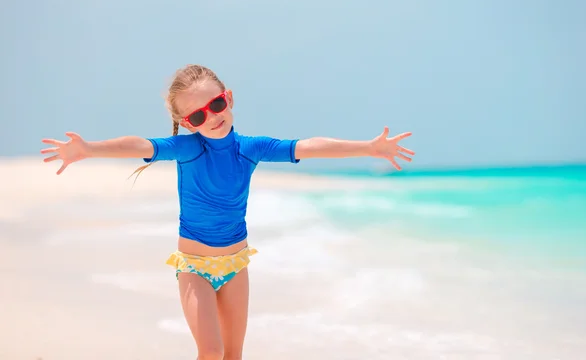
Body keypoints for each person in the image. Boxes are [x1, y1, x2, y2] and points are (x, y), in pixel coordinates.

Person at [40, 64, 415, 360]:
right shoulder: (188, 149)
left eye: (216, 105)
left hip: (236, 264)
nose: (212, 118)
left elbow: (308, 146)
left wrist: (368, 147)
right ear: (187, 124)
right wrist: (88, 148)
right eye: (198, 116)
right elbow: (141, 144)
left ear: (229, 98)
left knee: (233, 355)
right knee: (212, 352)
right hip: (195, 267)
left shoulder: (249, 147)